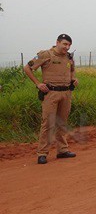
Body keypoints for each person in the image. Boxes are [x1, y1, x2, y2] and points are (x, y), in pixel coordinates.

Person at [23, 34, 78, 164]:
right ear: (57, 42)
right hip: (51, 93)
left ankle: (62, 150)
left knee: (62, 122)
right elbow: (27, 68)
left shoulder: (69, 57)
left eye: (69, 45)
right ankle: (42, 153)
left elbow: (72, 71)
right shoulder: (45, 54)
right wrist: (38, 83)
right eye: (65, 44)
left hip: (66, 93)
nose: (67, 47)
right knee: (48, 123)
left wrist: (74, 79)